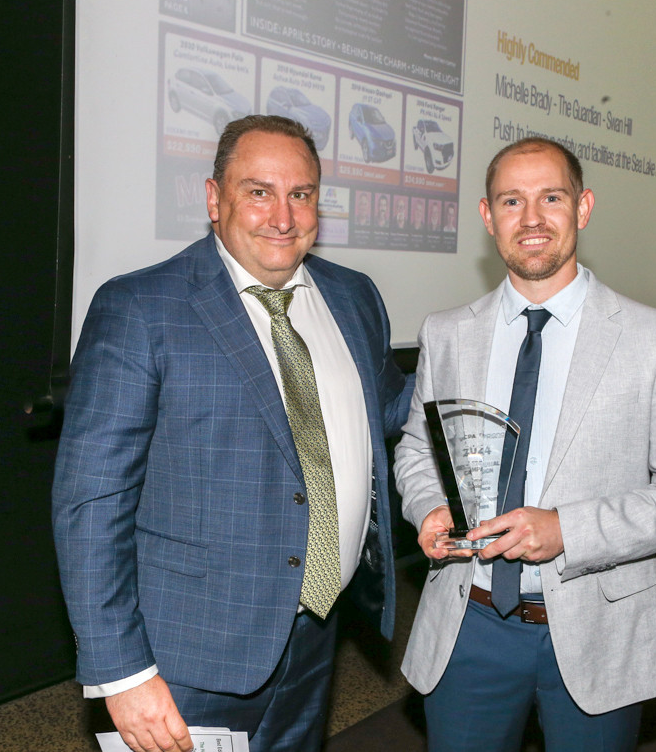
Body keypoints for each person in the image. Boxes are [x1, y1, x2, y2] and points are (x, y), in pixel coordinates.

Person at [53, 115, 413, 752]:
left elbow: (386, 411)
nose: (282, 215)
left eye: (300, 194)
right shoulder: (140, 308)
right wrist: (122, 671)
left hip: (314, 632)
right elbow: (91, 503)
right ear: (215, 198)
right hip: (186, 654)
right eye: (258, 191)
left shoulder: (353, 296)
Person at [395, 137, 656, 751]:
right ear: (487, 216)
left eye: (551, 197)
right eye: (511, 200)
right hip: (467, 625)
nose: (532, 219)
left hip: (597, 628)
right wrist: (428, 507)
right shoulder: (446, 335)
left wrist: (567, 530)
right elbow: (417, 449)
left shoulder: (654, 340)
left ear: (583, 207)